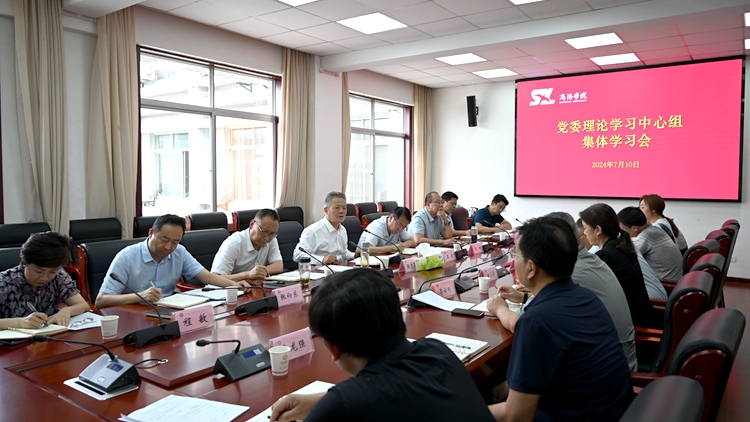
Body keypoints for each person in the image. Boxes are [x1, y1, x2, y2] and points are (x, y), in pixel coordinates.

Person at [269, 268, 495, 422]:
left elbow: (366, 396)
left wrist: (328, 404)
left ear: (332, 348)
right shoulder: (437, 350)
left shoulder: (340, 406)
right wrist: (323, 400)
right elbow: (401, 392)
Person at [486, 216, 634, 421]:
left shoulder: (536, 321)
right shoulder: (586, 296)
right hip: (614, 411)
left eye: (516, 255)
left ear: (531, 268)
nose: (514, 260)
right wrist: (512, 385)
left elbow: (516, 416)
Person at [502, 212, 637, 371]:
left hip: (610, 370)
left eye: (516, 255)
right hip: (614, 365)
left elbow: (521, 323)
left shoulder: (571, 275)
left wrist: (498, 308)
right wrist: (525, 297)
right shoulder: (589, 266)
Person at [95, 214, 247, 309]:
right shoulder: (127, 257)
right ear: (151, 233)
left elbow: (207, 277)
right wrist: (141, 296)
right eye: (164, 239)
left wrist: (234, 285)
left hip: (168, 311)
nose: (168, 247)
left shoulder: (179, 252)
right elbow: (101, 301)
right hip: (133, 311)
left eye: (175, 241)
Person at [580, 204, 662, 329]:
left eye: (585, 228)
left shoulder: (607, 256)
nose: (585, 233)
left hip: (635, 325)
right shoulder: (620, 246)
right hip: (643, 316)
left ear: (598, 230)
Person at [0, 232, 90, 329]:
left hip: (50, 335)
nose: (44, 277)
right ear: (23, 262)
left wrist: (67, 310)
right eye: (38, 271)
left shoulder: (59, 276)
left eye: (52, 271)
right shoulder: (4, 282)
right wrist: (19, 322)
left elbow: (83, 305)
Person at [578, 218, 666, 300]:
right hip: (654, 295)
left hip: (651, 300)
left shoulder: (603, 252)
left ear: (598, 230)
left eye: (585, 230)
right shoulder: (622, 243)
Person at [211, 208, 283, 282]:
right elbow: (215, 278)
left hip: (255, 287)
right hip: (233, 287)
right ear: (252, 224)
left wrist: (260, 272)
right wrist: (247, 275)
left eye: (272, 233)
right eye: (264, 232)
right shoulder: (233, 243)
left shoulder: (272, 238)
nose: (267, 238)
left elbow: (278, 265)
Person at [618, 206, 683, 281]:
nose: (621, 232)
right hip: (677, 279)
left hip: (666, 283)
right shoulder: (655, 229)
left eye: (622, 229)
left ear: (634, 228)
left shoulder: (645, 237)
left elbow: (625, 258)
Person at [293, 192, 356, 265]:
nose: (341, 211)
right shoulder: (313, 231)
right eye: (337, 208)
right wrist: (322, 259)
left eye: (344, 208)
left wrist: (354, 255)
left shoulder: (342, 230)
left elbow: (343, 254)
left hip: (339, 268)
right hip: (319, 269)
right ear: (326, 210)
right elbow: (298, 254)